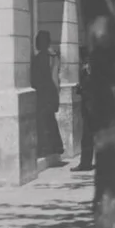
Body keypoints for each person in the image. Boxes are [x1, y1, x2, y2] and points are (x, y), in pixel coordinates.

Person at [32, 30, 65, 162]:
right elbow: (55, 79)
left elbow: (51, 78)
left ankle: (49, 148)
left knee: (45, 121)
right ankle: (56, 147)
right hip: (49, 93)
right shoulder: (53, 57)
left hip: (42, 94)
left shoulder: (40, 58)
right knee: (49, 119)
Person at [73, 48, 94, 172]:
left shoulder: (87, 70)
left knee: (87, 137)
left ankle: (85, 164)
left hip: (90, 107)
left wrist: (80, 89)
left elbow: (88, 89)